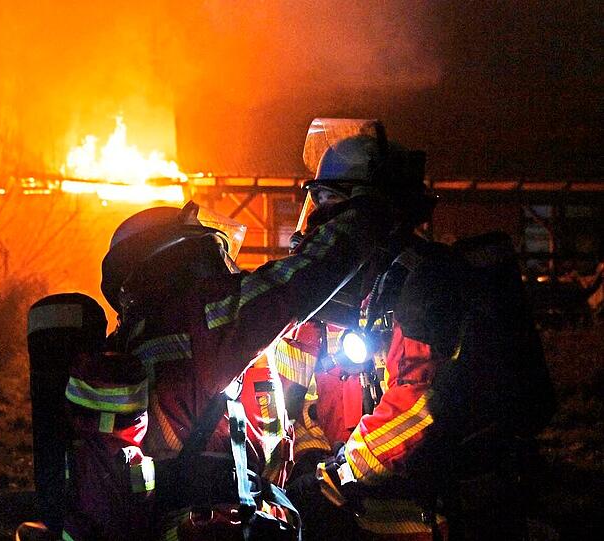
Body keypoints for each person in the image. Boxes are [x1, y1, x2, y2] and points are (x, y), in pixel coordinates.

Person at [284, 119, 555, 541]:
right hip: (357, 510)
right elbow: (308, 393)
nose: (318, 216)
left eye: (327, 199)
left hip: (428, 513)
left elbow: (419, 401)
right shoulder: (345, 287)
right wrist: (309, 456)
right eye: (316, 198)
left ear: (368, 209)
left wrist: (336, 476)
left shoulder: (427, 278)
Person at [99, 183, 393, 538]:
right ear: (183, 255)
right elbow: (300, 279)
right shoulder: (203, 316)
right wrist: (370, 210)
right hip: (219, 524)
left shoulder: (134, 336)